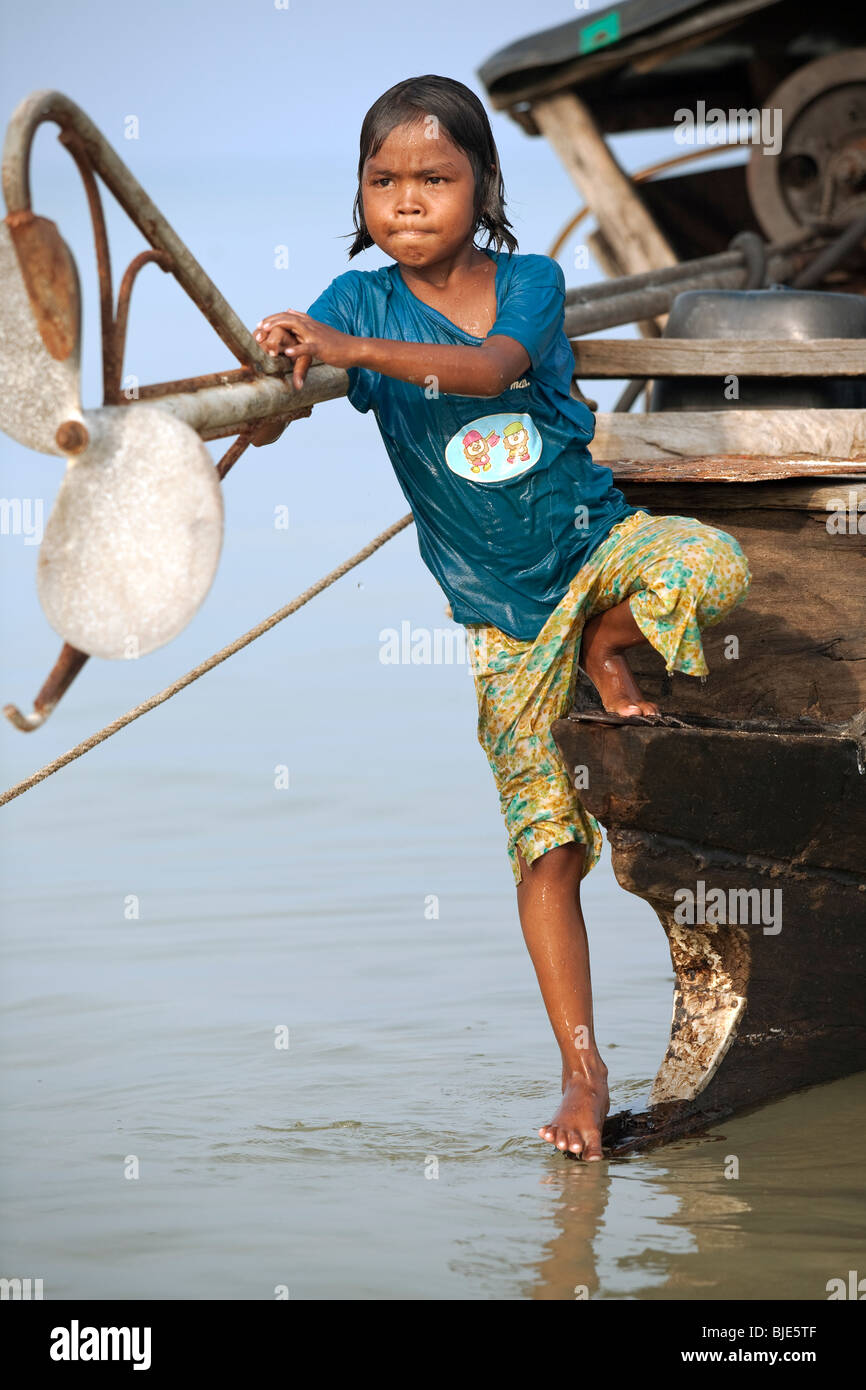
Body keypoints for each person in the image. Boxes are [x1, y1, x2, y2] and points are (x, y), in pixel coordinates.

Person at [254, 75, 752, 1162]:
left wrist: (352, 355)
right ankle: (580, 1066)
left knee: (708, 565)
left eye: (434, 178)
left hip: (591, 547)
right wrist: (281, 374)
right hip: (498, 612)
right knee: (544, 844)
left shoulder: (528, 278)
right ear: (360, 196)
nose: (407, 200)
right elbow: (295, 390)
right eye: (382, 181)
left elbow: (487, 371)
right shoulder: (357, 300)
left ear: (480, 190)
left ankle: (607, 641)